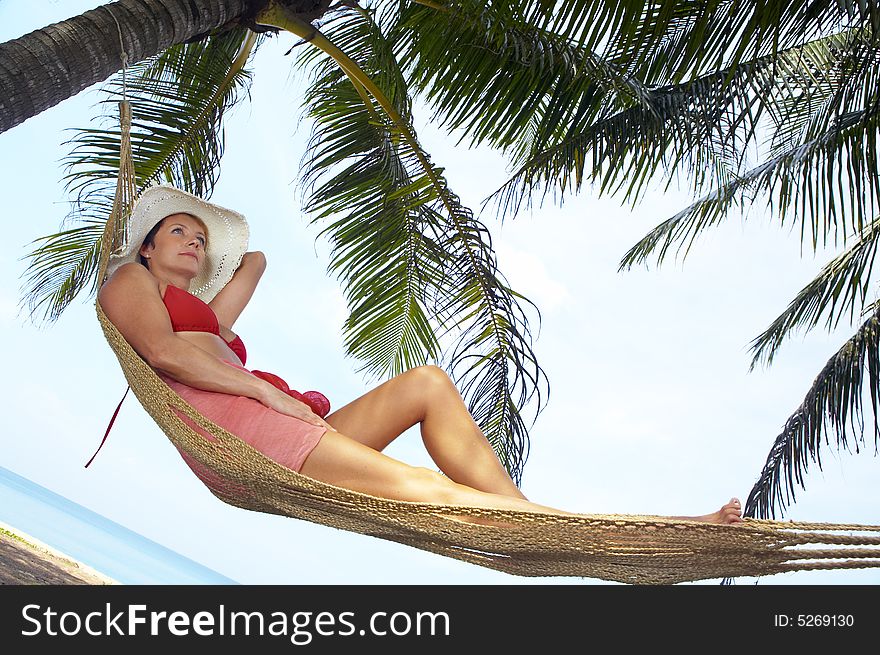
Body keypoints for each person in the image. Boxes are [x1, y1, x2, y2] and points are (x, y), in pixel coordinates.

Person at [98, 185, 744, 526]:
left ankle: (528, 516)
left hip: (278, 428)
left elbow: (255, 262)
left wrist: (218, 254)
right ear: (146, 248)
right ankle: (632, 532)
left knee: (428, 382)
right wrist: (263, 391)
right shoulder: (132, 282)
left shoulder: (208, 318)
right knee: (433, 492)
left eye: (201, 236)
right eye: (177, 229)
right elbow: (161, 353)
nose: (192, 238)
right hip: (238, 434)